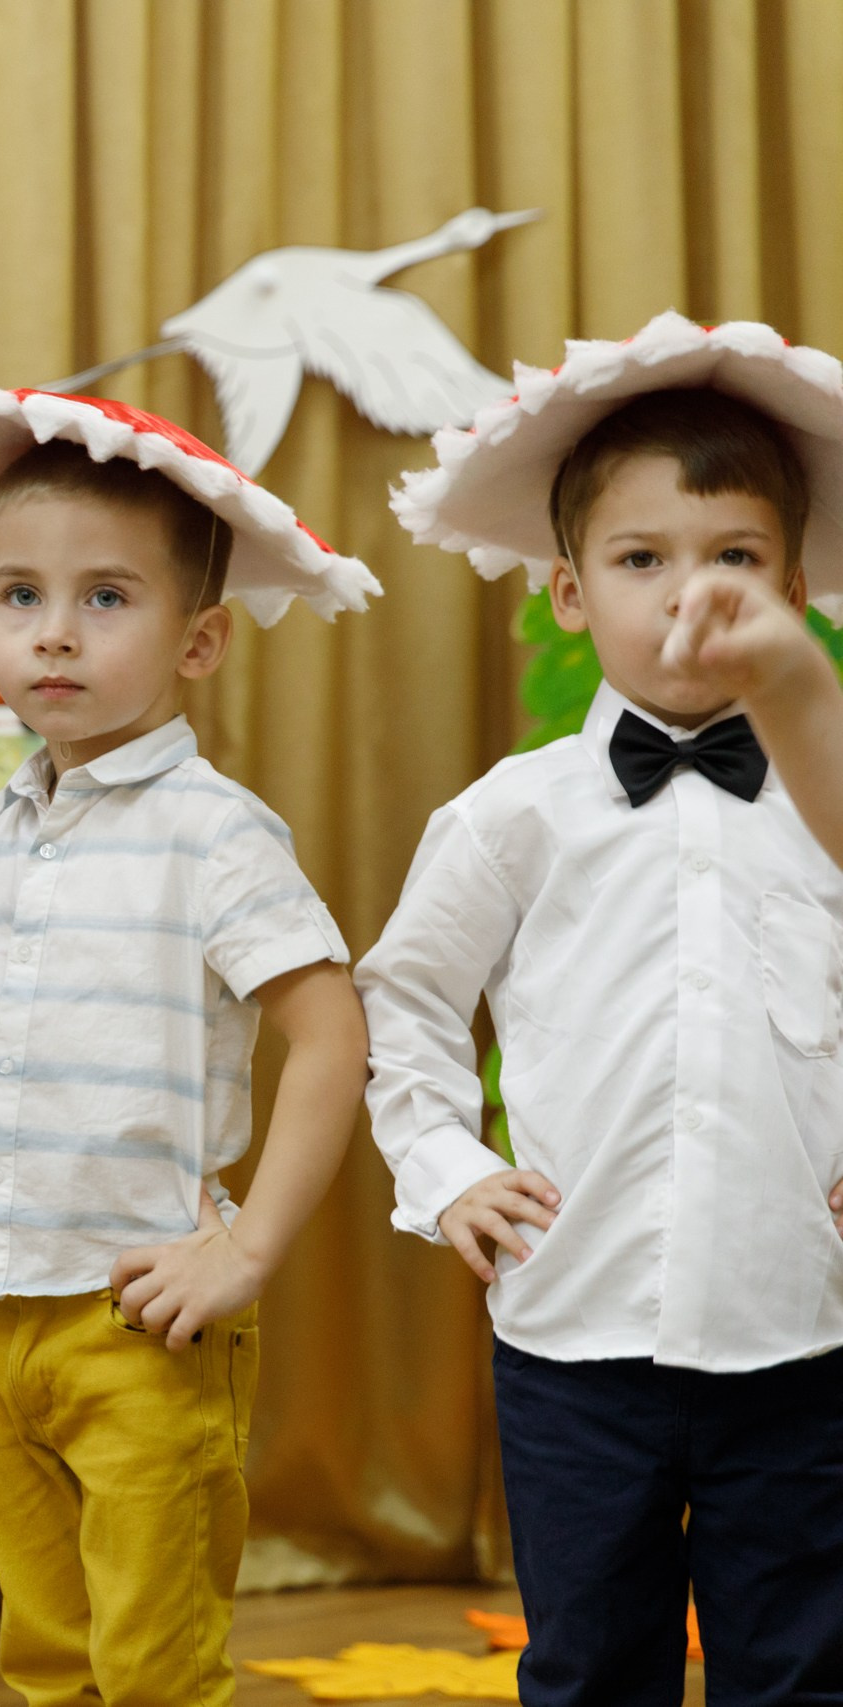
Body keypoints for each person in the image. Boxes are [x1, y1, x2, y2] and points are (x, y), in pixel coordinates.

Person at [0, 390, 376, 1707]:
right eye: (20, 594)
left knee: (154, 1659)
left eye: (106, 597)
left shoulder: (218, 834)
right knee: (46, 1651)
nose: (53, 630)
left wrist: (249, 1246)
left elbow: (331, 1032)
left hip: (141, 1316)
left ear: (200, 639)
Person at [371, 315, 843, 1707]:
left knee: (803, 1666)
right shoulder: (510, 815)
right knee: (587, 1668)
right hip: (573, 1333)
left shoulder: (828, 809)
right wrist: (445, 1165)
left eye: (732, 558)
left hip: (797, 1324)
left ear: (796, 587)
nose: (690, 595)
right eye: (643, 560)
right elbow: (404, 998)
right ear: (570, 593)